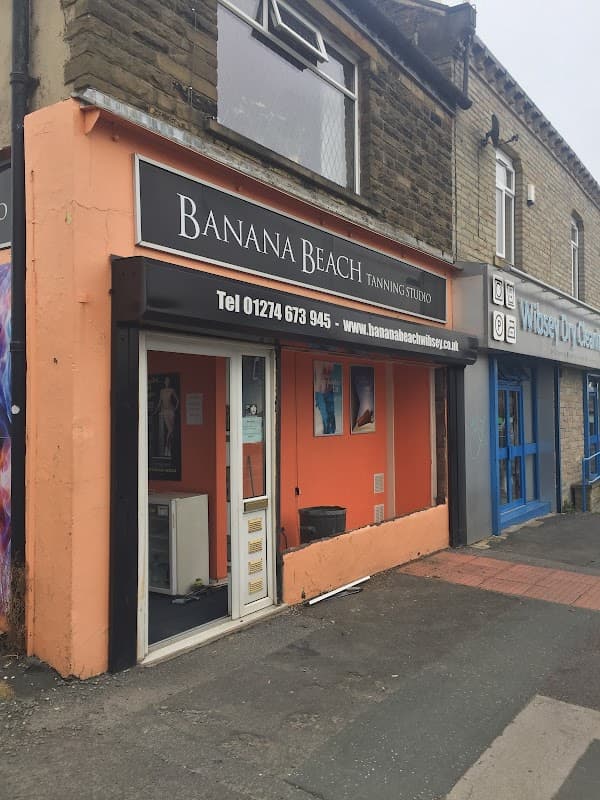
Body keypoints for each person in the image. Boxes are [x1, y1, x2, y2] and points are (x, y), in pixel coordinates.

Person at [156, 376, 179, 457]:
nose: (167, 382)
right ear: (164, 382)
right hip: (165, 411)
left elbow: (177, 400)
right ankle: (167, 447)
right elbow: (159, 402)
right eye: (166, 381)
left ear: (169, 382)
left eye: (168, 381)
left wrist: (175, 409)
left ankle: (168, 448)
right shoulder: (162, 391)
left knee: (171, 430)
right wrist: (155, 411)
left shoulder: (172, 390)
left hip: (171, 411)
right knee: (170, 430)